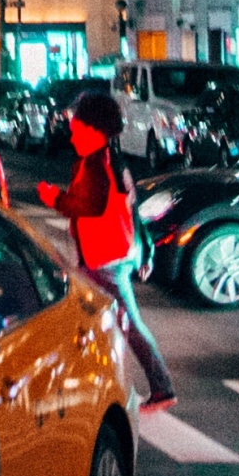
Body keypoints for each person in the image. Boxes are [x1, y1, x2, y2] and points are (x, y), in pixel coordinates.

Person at [38, 85, 176, 409]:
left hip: (104, 259)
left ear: (95, 130)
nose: (71, 134)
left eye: (76, 128)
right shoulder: (115, 160)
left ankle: (162, 387)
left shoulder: (95, 165)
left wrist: (54, 198)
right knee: (92, 318)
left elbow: (92, 205)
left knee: (123, 323)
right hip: (118, 254)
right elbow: (131, 211)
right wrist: (146, 251)